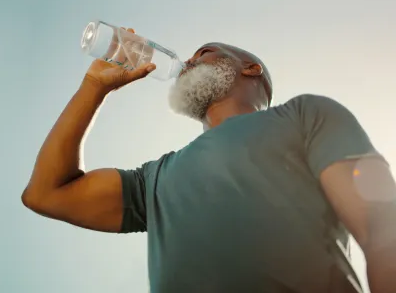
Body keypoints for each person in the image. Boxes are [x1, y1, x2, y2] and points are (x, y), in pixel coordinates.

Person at [22, 30, 396, 293]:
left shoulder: (305, 115)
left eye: (204, 51)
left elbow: (382, 232)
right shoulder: (152, 179)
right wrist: (94, 87)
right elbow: (47, 193)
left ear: (250, 68)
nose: (187, 60)